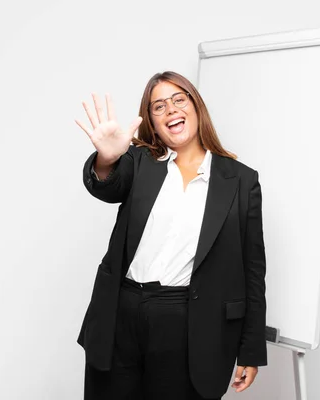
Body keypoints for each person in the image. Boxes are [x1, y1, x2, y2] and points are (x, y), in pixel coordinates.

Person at [75, 71, 267, 400]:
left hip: (187, 321)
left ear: (196, 106)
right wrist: (107, 157)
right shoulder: (139, 161)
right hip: (123, 313)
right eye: (158, 106)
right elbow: (107, 185)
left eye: (179, 99)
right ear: (151, 120)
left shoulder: (239, 181)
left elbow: (252, 270)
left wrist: (250, 349)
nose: (171, 110)